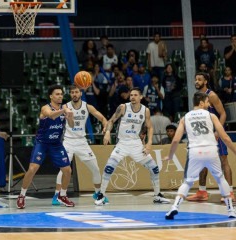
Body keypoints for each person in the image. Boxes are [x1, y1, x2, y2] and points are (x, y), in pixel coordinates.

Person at [164, 92, 236, 220]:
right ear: (201, 103)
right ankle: (231, 210)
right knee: (220, 179)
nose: (209, 104)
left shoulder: (185, 117)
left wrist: (170, 155)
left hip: (195, 151)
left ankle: (175, 206)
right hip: (211, 150)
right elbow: (225, 137)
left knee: (188, 181)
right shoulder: (211, 115)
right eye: (207, 102)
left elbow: (175, 140)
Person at [94, 87, 170, 205]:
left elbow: (150, 127)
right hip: (122, 143)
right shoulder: (123, 107)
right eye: (131, 95)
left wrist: (149, 143)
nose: (132, 97)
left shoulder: (145, 111)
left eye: (135, 95)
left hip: (136, 144)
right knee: (109, 168)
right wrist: (108, 132)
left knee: (154, 168)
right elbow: (111, 121)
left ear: (141, 97)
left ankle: (157, 195)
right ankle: (101, 195)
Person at [16, 85, 75, 209]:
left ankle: (62, 195)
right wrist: (64, 110)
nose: (60, 96)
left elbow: (71, 125)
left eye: (61, 94)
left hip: (56, 144)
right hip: (42, 143)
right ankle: (22, 195)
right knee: (32, 169)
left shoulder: (65, 108)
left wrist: (70, 116)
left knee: (68, 170)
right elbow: (52, 115)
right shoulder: (45, 108)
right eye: (57, 94)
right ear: (51, 96)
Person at [52, 85, 108, 205]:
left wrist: (105, 127)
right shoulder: (65, 107)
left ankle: (98, 193)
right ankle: (57, 195)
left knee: (95, 169)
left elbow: (103, 118)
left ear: (80, 93)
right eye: (72, 92)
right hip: (68, 141)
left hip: (82, 142)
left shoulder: (87, 106)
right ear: (70, 94)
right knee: (63, 170)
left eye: (76, 92)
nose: (74, 94)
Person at [186, 72, 234, 202]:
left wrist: (218, 131)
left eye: (199, 79)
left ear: (205, 81)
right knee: (203, 162)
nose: (196, 81)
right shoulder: (197, 97)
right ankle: (202, 191)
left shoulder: (211, 96)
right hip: (205, 134)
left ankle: (230, 193)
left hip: (216, 132)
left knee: (224, 161)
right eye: (195, 79)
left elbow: (223, 114)